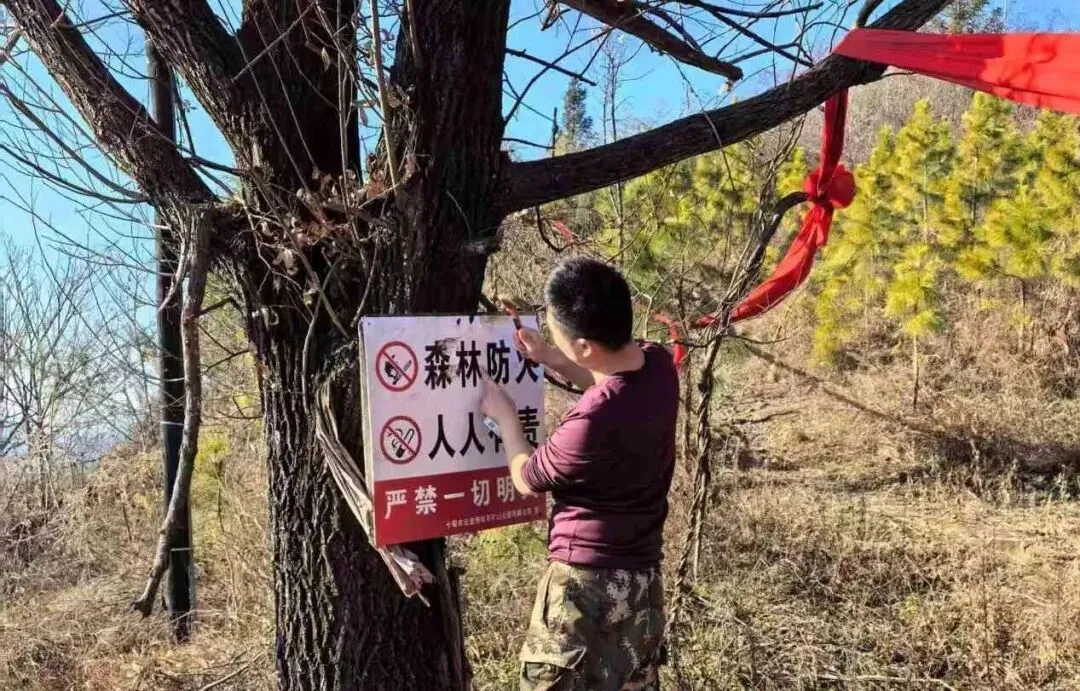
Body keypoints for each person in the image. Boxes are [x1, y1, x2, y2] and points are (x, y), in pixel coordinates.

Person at [480, 257, 680, 691]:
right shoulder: (659, 366)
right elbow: (606, 377)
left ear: (586, 345)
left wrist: (507, 418)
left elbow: (527, 475)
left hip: (584, 586)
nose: (554, 333)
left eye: (557, 331)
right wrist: (551, 356)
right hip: (643, 583)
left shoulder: (589, 424)